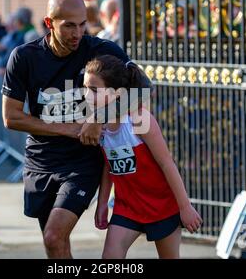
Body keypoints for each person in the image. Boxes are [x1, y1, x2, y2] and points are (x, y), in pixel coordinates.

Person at [1, 0, 150, 259]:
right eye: (69, 26)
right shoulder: (24, 57)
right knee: (55, 243)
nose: (77, 33)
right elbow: (11, 117)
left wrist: (97, 118)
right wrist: (68, 128)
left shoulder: (100, 50)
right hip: (41, 161)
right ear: (49, 23)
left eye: (82, 24)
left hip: (83, 160)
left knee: (54, 234)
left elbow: (142, 89)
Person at [84, 55, 203, 259]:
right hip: (127, 208)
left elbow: (167, 164)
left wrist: (185, 206)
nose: (87, 95)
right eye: (85, 87)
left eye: (94, 90)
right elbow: (109, 165)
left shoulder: (138, 119)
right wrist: (102, 202)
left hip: (162, 206)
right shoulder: (97, 125)